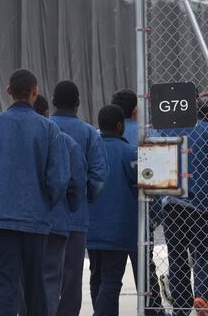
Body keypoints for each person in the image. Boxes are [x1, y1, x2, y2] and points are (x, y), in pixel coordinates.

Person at [0, 68, 70, 316]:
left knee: (5, 287)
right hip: (35, 221)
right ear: (35, 92)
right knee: (36, 288)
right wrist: (44, 202)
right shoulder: (49, 130)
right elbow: (59, 179)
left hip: (2, 220)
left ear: (8, 91)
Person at [152, 114, 208, 316]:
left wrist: (158, 207)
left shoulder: (161, 132)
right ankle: (204, 297)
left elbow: (154, 174)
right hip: (203, 206)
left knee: (177, 256)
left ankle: (181, 306)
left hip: (171, 205)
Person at [50, 81, 108, 316]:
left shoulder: (44, 128)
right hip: (76, 217)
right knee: (72, 276)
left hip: (47, 216)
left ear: (53, 101)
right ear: (78, 103)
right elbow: (99, 174)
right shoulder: (88, 133)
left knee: (46, 274)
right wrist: (87, 197)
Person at [110, 89, 166, 316]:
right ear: (135, 111)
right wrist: (156, 216)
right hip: (142, 213)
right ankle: (152, 310)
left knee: (108, 274)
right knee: (144, 267)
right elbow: (160, 180)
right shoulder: (149, 134)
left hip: (111, 214)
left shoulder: (100, 136)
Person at [33, 95, 87, 316]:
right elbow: (75, 182)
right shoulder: (65, 140)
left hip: (20, 222)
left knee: (22, 279)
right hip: (55, 220)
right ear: (47, 113)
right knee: (52, 278)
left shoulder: (2, 134)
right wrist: (65, 206)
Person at [87, 104, 139, 316]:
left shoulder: (89, 151)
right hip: (119, 229)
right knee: (111, 279)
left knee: (96, 276)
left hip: (91, 226)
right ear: (120, 126)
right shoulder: (129, 153)